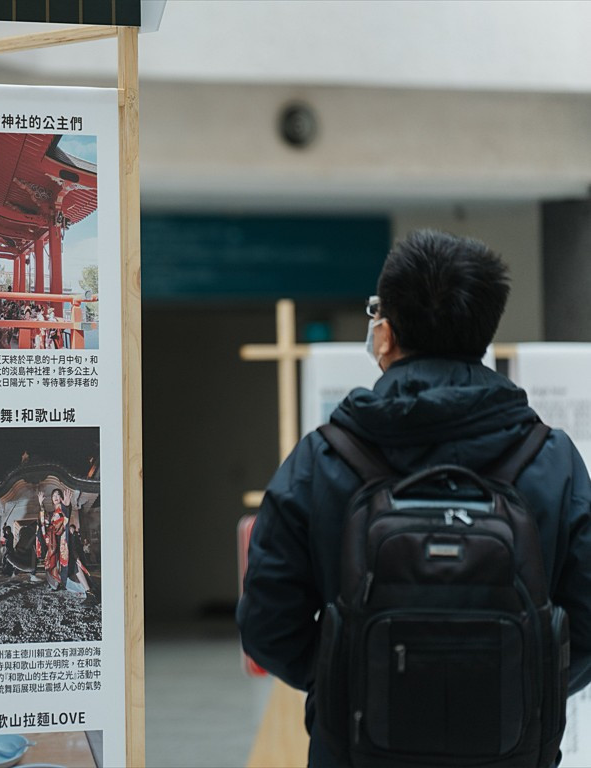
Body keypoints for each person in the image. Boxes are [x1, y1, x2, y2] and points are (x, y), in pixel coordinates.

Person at [237, 229, 591, 767]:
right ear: (484, 330)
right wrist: (509, 681)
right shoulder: (552, 459)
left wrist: (354, 680)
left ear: (385, 332)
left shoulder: (322, 458)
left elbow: (267, 625)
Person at [36, 487, 73, 591]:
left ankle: (65, 583)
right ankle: (54, 584)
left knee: (63, 563)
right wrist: (41, 505)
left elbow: (66, 516)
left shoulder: (63, 508)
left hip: (62, 540)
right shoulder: (52, 514)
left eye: (58, 495)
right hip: (52, 542)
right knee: (50, 563)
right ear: (51, 499)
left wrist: (66, 506)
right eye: (54, 495)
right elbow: (44, 522)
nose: (56, 497)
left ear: (61, 497)